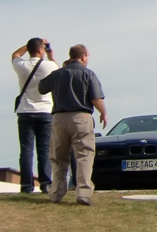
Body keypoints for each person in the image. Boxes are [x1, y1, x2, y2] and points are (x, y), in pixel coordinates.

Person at [37, 45, 106, 206]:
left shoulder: (58, 73)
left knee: (58, 158)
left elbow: (42, 87)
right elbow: (96, 98)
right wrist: (103, 112)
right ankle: (83, 193)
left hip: (59, 118)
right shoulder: (88, 74)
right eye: (87, 55)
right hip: (81, 117)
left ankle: (56, 193)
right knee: (84, 156)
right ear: (83, 56)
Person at [11, 38, 58, 194]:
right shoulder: (49, 66)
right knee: (44, 149)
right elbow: (59, 72)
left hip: (25, 111)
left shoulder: (22, 66)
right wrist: (51, 56)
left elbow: (15, 54)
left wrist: (29, 44)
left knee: (26, 150)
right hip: (45, 110)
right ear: (40, 50)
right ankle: (46, 184)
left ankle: (26, 185)